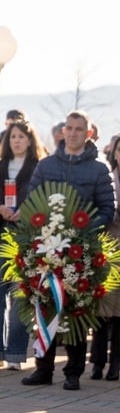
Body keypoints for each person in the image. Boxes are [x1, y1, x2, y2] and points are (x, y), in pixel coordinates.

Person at [21, 111, 115, 391]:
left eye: (78, 129)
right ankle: (44, 369)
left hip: (81, 252)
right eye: (69, 128)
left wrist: (81, 230)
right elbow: (31, 202)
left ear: (88, 134)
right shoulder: (46, 165)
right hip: (47, 249)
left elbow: (108, 209)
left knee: (76, 310)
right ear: (62, 131)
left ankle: (73, 372)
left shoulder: (100, 169)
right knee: (46, 307)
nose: (72, 133)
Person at [0, 120, 46, 370]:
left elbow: (46, 197)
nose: (16, 141)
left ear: (30, 140)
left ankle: (17, 354)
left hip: (26, 236)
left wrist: (27, 211)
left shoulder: (38, 168)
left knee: (21, 295)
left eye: (21, 136)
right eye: (12, 137)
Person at [90, 135, 120, 381]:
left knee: (119, 313)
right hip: (107, 246)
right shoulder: (107, 177)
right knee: (100, 307)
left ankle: (115, 364)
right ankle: (97, 362)